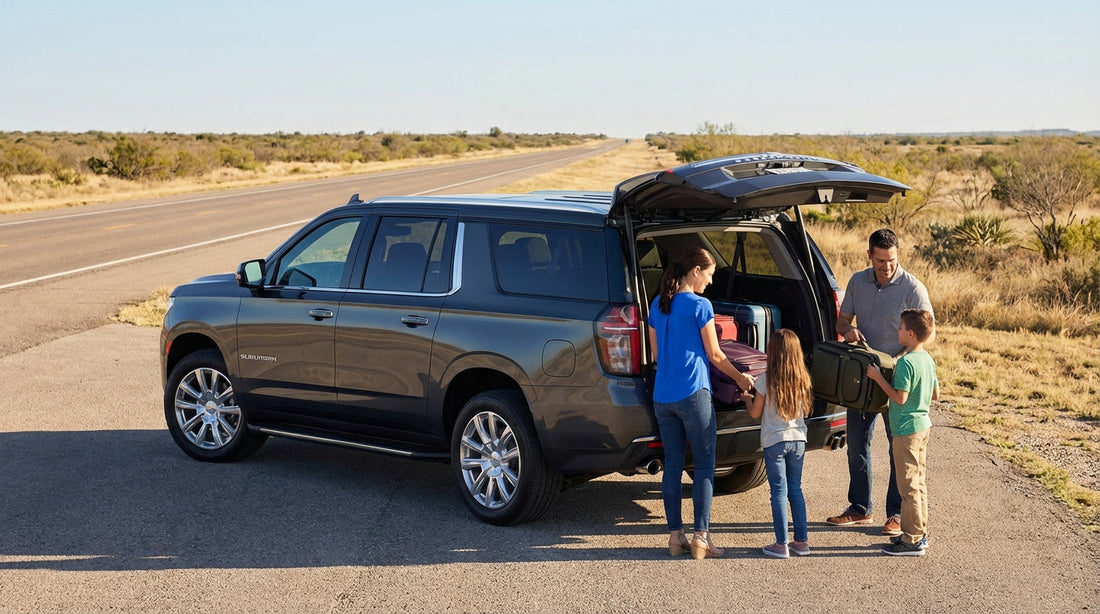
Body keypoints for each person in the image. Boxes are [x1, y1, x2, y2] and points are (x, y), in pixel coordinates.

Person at [648, 247, 756, 560]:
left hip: (662, 396)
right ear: (695, 271)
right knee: (706, 465)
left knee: (673, 465)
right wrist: (741, 379)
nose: (709, 281)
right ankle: (701, 538)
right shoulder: (699, 305)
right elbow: (716, 355)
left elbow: (656, 355)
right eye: (708, 275)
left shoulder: (658, 303)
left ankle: (675, 537)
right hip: (693, 393)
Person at [827, 228, 933, 537]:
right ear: (869, 256)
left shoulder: (913, 288)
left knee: (897, 449)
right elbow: (841, 321)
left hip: (897, 379)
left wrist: (902, 359)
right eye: (880, 261)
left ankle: (896, 514)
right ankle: (860, 507)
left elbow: (928, 333)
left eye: (892, 260)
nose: (887, 267)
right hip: (862, 378)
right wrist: (847, 330)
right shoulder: (857, 282)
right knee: (857, 445)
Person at [867, 309, 939, 556]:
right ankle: (918, 533)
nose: (897, 330)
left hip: (906, 430)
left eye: (900, 327)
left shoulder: (906, 363)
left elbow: (899, 397)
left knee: (907, 487)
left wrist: (878, 377)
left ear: (910, 334)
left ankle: (912, 540)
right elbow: (936, 394)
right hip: (923, 426)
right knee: (918, 483)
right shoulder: (927, 359)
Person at [745, 329, 813, 559]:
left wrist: (747, 399)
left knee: (778, 492)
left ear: (772, 352)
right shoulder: (802, 379)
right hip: (798, 440)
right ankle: (801, 542)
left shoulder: (765, 380)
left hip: (775, 441)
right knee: (795, 489)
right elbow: (805, 411)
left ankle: (781, 544)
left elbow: (755, 413)